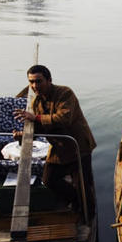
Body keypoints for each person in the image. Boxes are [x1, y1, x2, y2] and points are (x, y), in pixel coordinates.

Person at [13, 65, 96, 215]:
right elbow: (40, 128)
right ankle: (76, 201)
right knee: (49, 181)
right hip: (58, 147)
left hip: (78, 145)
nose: (34, 86)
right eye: (31, 82)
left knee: (82, 185)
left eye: (38, 81)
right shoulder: (36, 102)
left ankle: (88, 214)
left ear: (49, 80)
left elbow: (64, 119)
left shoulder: (65, 93)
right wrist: (23, 135)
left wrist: (35, 117)